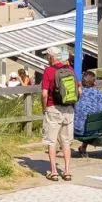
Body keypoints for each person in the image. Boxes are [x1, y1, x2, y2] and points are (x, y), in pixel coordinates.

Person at [38, 47, 76, 181]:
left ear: (50, 57)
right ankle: (66, 171)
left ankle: (54, 172)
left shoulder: (48, 71)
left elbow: (44, 94)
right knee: (66, 142)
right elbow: (80, 91)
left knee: (51, 141)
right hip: (69, 109)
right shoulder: (70, 70)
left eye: (47, 56)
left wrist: (44, 107)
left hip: (53, 108)